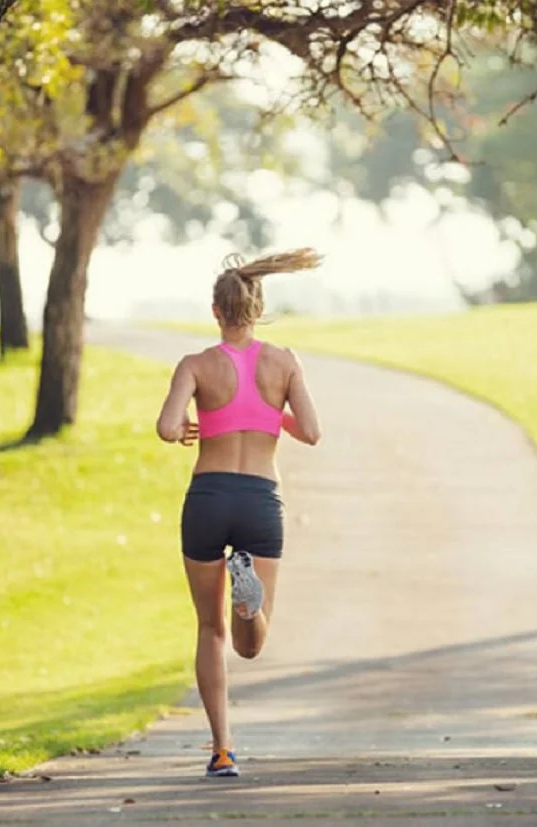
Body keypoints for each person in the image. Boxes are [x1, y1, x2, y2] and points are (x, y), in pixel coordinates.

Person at [155, 249, 323, 778]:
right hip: (259, 501)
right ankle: (248, 601)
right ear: (257, 307)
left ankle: (222, 749)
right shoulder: (284, 361)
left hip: (207, 500)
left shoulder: (196, 365)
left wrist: (185, 426)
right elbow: (313, 431)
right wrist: (273, 417)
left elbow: (166, 426)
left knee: (210, 629)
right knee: (249, 643)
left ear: (216, 311)